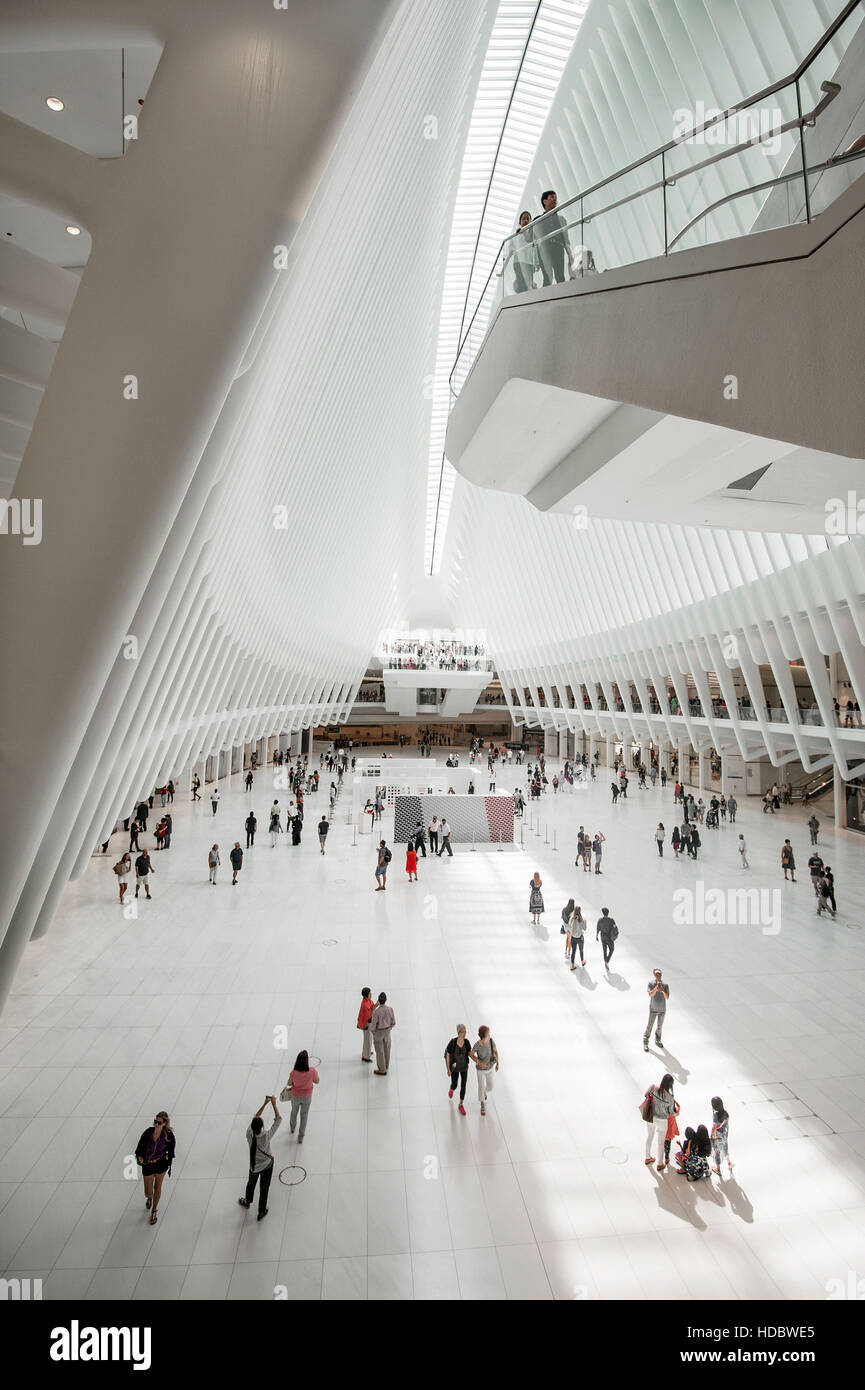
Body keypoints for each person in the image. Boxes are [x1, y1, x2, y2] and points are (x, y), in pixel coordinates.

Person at [238, 1095, 280, 1220]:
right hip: (267, 1165)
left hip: (254, 1166)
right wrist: (273, 1104)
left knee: (251, 1184)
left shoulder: (249, 1133)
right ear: (262, 1127)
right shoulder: (266, 1135)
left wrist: (264, 1103)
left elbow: (254, 1118)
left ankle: (247, 1201)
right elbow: (278, 1120)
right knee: (264, 1188)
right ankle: (261, 1211)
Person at [135, 1111, 175, 1225]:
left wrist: (168, 1156)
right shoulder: (148, 1132)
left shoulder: (168, 1135)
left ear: (164, 1124)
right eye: (155, 1122)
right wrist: (140, 1157)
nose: (156, 1124)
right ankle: (149, 1198)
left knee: (158, 1187)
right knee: (148, 1191)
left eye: (159, 1123)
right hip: (148, 1164)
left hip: (160, 1164)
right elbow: (139, 1148)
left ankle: (154, 1210)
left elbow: (172, 1150)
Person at [535, 189, 573, 285]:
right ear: (545, 201)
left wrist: (570, 255)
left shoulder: (561, 219)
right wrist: (521, 231)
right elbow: (531, 240)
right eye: (552, 197)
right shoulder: (537, 220)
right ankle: (545, 299)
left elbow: (566, 239)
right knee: (548, 278)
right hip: (544, 250)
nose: (555, 199)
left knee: (560, 276)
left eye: (555, 197)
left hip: (558, 248)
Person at [284, 1050, 320, 1143]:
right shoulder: (312, 1071)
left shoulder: (293, 1072)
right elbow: (317, 1081)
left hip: (295, 1096)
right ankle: (300, 1137)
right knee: (304, 1115)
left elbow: (289, 1083)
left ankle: (292, 1128)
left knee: (294, 1112)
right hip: (307, 1096)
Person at [643, 1073, 676, 1169]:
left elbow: (645, 1095)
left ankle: (647, 1157)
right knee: (661, 1142)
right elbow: (671, 1113)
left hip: (650, 1117)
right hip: (662, 1120)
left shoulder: (653, 1087)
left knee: (649, 1136)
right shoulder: (670, 1097)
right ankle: (660, 1163)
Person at [470, 1025, 498, 1116]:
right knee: (481, 1087)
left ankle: (485, 1092)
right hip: (480, 1070)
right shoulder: (477, 1045)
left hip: (490, 1068)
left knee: (490, 1087)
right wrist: (477, 1061)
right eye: (488, 1033)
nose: (489, 1034)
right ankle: (482, 1104)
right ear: (484, 1035)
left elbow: (496, 1052)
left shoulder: (491, 1041)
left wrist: (498, 1063)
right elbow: (471, 1054)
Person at [506, 209, 536, 293]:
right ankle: (520, 296)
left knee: (528, 282)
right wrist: (512, 251)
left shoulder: (532, 234)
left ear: (530, 222)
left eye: (528, 219)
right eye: (523, 219)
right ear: (520, 222)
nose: (526, 220)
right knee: (521, 281)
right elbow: (511, 248)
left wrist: (536, 263)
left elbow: (530, 242)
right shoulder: (515, 235)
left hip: (529, 262)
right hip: (518, 262)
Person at [445, 1025, 471, 1115]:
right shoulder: (452, 1042)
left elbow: (470, 1053)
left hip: (464, 1067)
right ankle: (452, 1088)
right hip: (455, 1068)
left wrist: (477, 1060)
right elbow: (447, 1055)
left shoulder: (467, 1042)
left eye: (465, 1032)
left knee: (463, 1085)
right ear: (459, 1032)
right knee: (455, 1084)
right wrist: (448, 1069)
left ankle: (461, 1104)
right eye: (463, 1032)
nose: (465, 1034)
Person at [643, 969, 669, 1051]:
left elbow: (667, 997)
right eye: (657, 974)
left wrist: (662, 990)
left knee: (659, 1026)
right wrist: (656, 988)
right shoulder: (651, 983)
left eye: (659, 974)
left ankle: (658, 1039)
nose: (658, 975)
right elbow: (650, 994)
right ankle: (646, 1041)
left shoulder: (665, 985)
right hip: (653, 1008)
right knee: (649, 1025)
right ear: (654, 975)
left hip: (662, 1009)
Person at [371, 991, 396, 1074]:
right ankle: (386, 1065)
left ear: (379, 1000)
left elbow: (373, 1026)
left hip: (379, 1032)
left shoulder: (376, 1012)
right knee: (387, 1049)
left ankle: (382, 1069)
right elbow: (393, 1022)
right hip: (387, 1031)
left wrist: (374, 1032)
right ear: (386, 1000)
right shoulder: (390, 1009)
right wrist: (389, 1029)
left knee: (379, 1051)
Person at [710, 1096, 733, 1176]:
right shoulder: (726, 1113)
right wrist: (727, 1134)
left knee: (717, 1152)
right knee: (725, 1148)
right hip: (724, 1134)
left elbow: (714, 1127)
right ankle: (729, 1162)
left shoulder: (716, 1116)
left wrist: (714, 1136)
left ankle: (718, 1169)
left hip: (718, 1135)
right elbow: (727, 1125)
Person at [358, 986, 375, 1063]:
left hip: (368, 1023)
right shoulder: (365, 1005)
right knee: (367, 1039)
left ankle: (367, 1051)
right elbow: (369, 1017)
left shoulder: (367, 1001)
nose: (371, 994)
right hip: (366, 1024)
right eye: (369, 993)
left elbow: (372, 1006)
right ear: (366, 995)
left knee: (369, 1038)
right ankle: (366, 1056)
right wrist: (374, 1008)